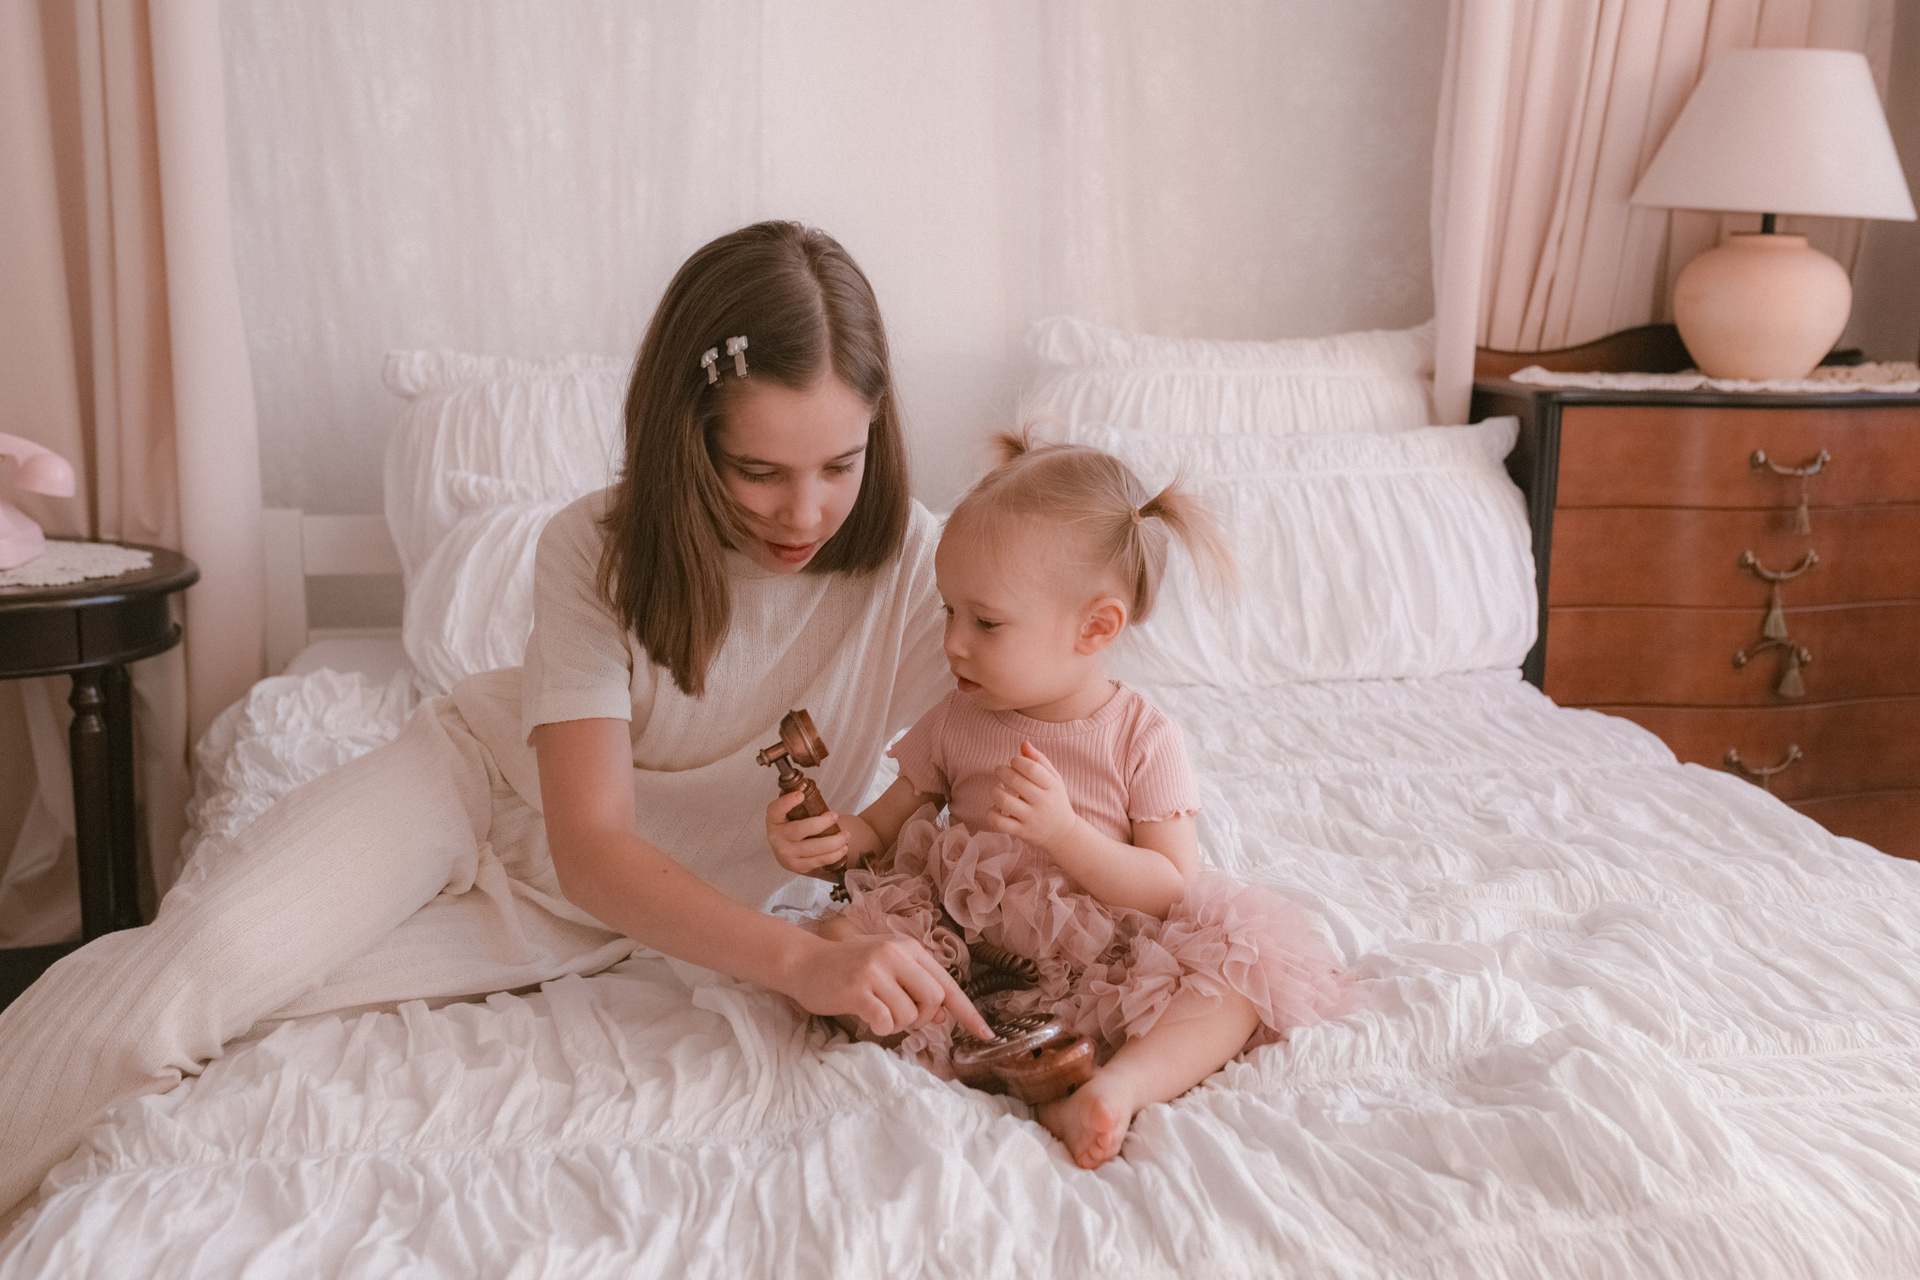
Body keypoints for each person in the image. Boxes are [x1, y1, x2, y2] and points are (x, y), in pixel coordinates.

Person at [0, 221, 990, 1217]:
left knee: (257, 1017)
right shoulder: (594, 549)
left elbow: (1050, 710)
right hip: (469, 795)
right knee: (203, 966)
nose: (805, 513)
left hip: (584, 921)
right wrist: (803, 959)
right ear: (689, 441)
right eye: (759, 471)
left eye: (839, 464)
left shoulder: (925, 572)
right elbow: (593, 842)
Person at [765, 434, 1355, 1170]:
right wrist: (825, 834)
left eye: (985, 622)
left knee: (1245, 973)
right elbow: (880, 833)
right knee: (836, 941)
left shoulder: (1142, 737)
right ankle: (1001, 1056)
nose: (953, 643)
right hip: (965, 950)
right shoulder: (955, 719)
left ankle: (1117, 1086)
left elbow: (1171, 885)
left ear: (1096, 627)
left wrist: (1064, 833)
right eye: (949, 612)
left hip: (1108, 964)